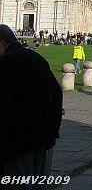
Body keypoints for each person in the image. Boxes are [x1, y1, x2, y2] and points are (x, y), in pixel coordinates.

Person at [0, 25, 63, 182]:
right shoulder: (37, 59)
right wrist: (53, 130)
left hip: (16, 142)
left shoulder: (5, 64)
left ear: (1, 43)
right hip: (41, 136)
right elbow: (57, 94)